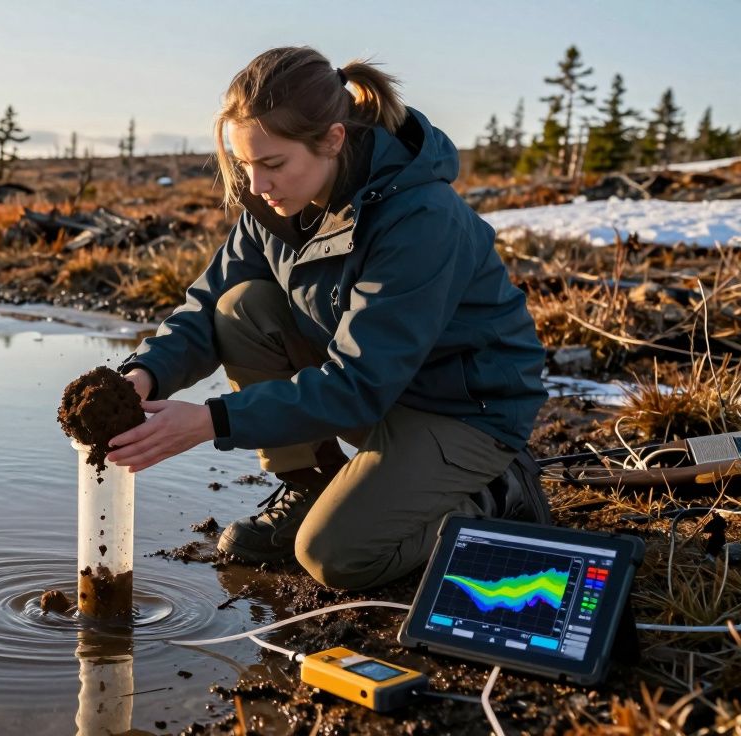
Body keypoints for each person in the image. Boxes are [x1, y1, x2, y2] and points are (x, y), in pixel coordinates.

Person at [106, 46, 550, 591]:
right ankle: (310, 486)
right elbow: (207, 303)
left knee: (335, 556)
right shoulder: (275, 206)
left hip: (462, 410)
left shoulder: (421, 219)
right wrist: (144, 373)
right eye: (245, 165)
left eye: (273, 164)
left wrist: (209, 422)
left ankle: (498, 493)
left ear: (334, 139)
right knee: (241, 306)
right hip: (378, 393)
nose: (257, 185)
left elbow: (359, 384)